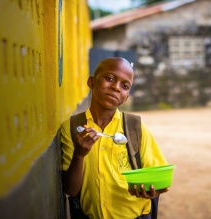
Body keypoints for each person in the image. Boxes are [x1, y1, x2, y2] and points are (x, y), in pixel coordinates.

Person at [61, 57, 168, 219]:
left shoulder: (135, 127)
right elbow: (70, 189)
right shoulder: (72, 127)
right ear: (91, 82)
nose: (116, 87)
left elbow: (160, 179)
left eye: (125, 86)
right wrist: (79, 154)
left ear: (126, 96)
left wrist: (151, 190)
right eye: (109, 78)